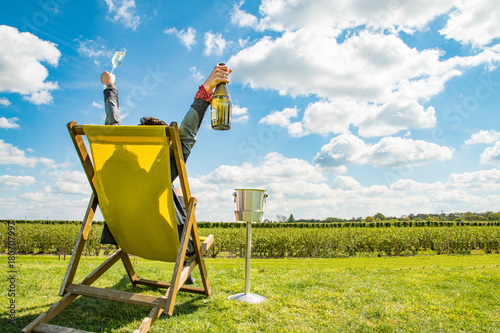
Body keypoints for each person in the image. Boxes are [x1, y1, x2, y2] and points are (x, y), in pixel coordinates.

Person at [99, 64, 232, 283]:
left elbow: (113, 124)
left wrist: (109, 87)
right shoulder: (164, 168)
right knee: (175, 191)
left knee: (174, 189)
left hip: (127, 237)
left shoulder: (121, 166)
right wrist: (206, 90)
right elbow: (187, 134)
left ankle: (184, 260)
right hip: (171, 242)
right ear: (166, 145)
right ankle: (186, 258)